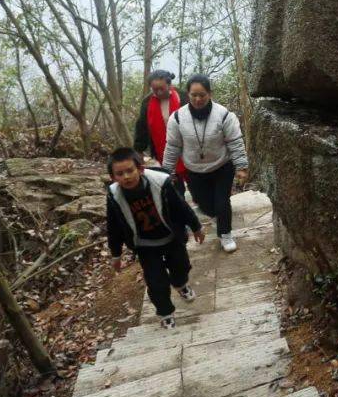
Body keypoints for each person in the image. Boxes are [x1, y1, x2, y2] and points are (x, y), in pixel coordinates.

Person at [106, 147, 205, 329]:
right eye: (120, 174)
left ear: (141, 169)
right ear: (113, 177)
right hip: (145, 245)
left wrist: (196, 226)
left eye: (130, 171)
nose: (126, 177)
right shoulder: (115, 197)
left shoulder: (160, 183)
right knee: (156, 281)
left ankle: (180, 284)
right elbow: (113, 226)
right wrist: (116, 254)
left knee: (181, 266)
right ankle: (165, 312)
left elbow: (180, 206)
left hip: (170, 236)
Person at [162, 74, 249, 253]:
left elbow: (235, 141)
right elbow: (172, 147)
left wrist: (241, 166)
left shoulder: (224, 115)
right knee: (205, 205)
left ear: (210, 94)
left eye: (202, 94)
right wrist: (167, 171)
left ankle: (225, 234)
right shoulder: (177, 118)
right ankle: (217, 215)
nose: (198, 99)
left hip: (222, 166)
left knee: (222, 202)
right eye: (194, 95)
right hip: (194, 169)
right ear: (188, 94)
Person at [133, 69, 188, 192]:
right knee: (175, 182)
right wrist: (139, 149)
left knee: (194, 182)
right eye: (154, 89)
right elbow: (141, 126)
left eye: (161, 88)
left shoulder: (183, 97)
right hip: (162, 148)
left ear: (169, 85)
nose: (158, 92)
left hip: (187, 146)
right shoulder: (147, 102)